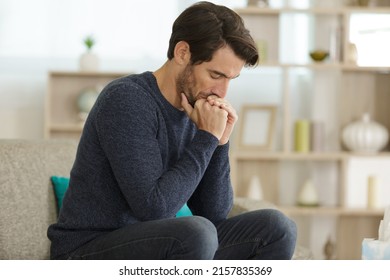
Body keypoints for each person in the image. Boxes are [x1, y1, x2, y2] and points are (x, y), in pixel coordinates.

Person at [47, 1, 297, 260]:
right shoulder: (127, 100)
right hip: (87, 250)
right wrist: (206, 138)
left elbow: (214, 213)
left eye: (229, 79)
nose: (222, 92)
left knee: (277, 228)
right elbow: (154, 209)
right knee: (195, 233)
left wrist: (219, 144)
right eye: (215, 75)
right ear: (182, 53)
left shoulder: (198, 109)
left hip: (159, 243)